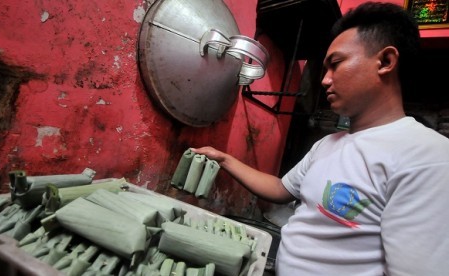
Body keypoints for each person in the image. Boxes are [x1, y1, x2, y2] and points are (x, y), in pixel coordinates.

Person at [192, 2, 449, 275]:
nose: (325, 80)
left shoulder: (429, 156)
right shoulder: (328, 144)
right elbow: (281, 190)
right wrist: (225, 159)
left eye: (335, 64)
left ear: (385, 61)